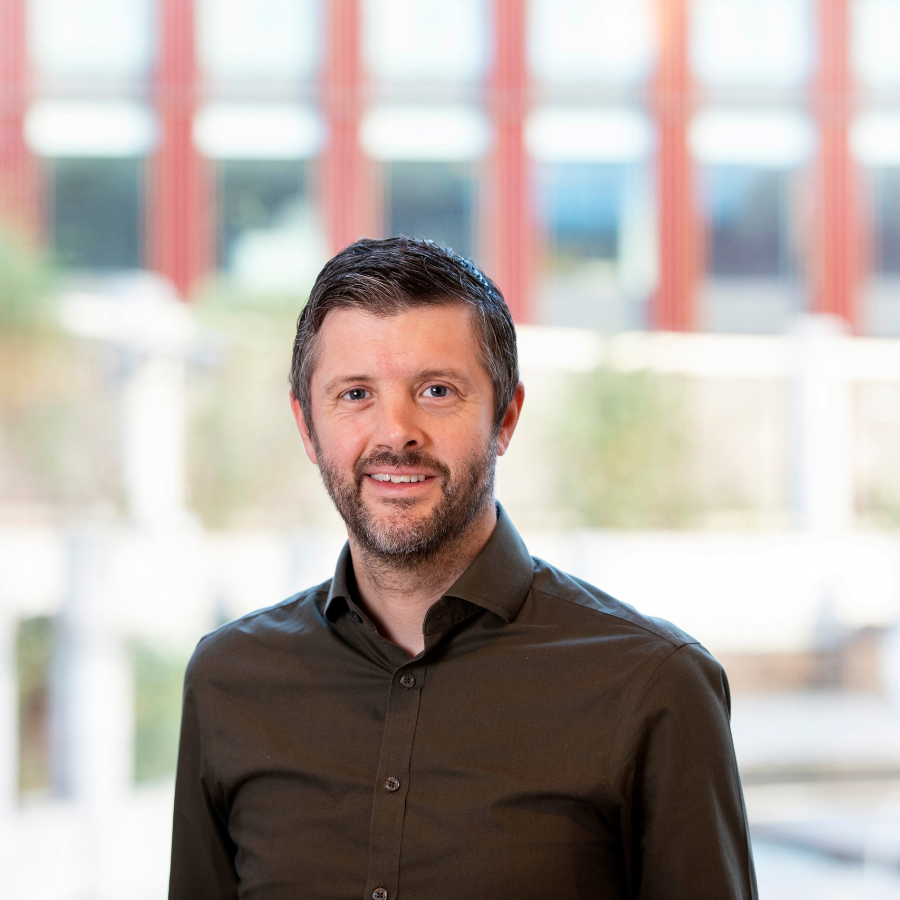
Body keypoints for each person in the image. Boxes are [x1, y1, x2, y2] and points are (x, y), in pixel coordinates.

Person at [169, 237, 758, 900]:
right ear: (307, 427)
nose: (396, 432)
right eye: (356, 393)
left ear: (505, 417)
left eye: (437, 390)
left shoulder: (654, 686)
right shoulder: (228, 681)